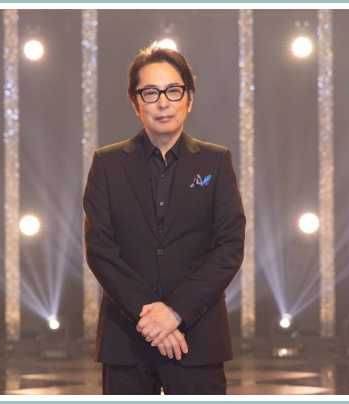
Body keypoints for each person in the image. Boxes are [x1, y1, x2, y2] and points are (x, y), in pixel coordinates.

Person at [83, 45, 246, 395]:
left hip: (198, 338)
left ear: (189, 98)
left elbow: (229, 247)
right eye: (150, 92)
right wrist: (150, 318)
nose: (162, 102)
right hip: (126, 342)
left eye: (173, 91)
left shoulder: (216, 163)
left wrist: (175, 313)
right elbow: (100, 250)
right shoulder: (107, 165)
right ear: (135, 102)